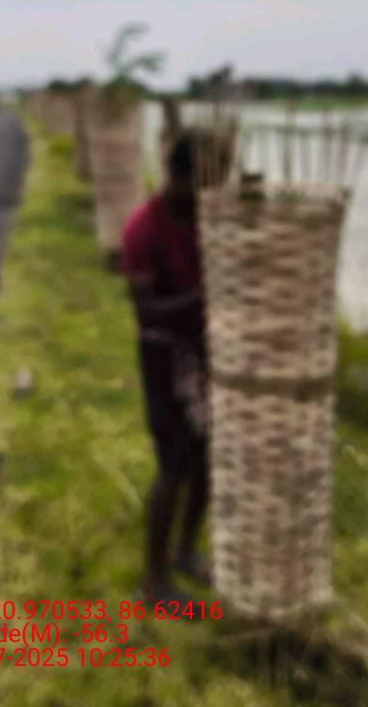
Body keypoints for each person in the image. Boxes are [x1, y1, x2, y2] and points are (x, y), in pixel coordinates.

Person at [122, 128, 229, 603]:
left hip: (205, 351)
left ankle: (186, 551)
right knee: (173, 464)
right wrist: (205, 296)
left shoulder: (210, 221)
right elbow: (147, 313)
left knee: (207, 456)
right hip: (164, 356)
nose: (211, 194)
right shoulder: (142, 230)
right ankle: (154, 579)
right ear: (177, 175)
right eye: (204, 183)